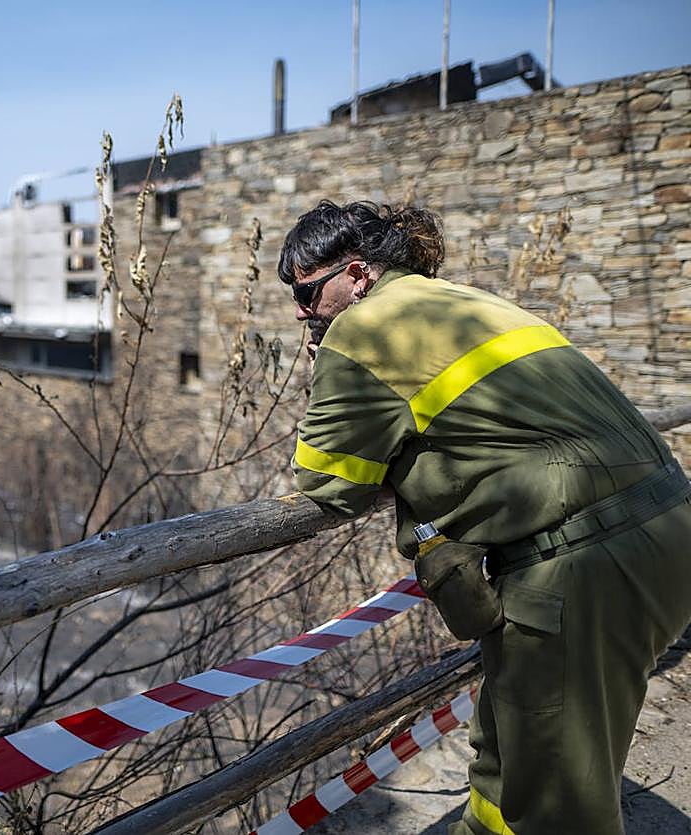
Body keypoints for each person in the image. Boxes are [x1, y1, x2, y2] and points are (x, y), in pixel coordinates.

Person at [279, 200, 691, 835]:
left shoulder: (361, 331)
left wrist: (330, 373)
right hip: (662, 533)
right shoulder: (463, 301)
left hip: (584, 569)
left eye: (306, 292)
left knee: (561, 803)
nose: (301, 311)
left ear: (357, 274)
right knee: (506, 758)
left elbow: (328, 482)